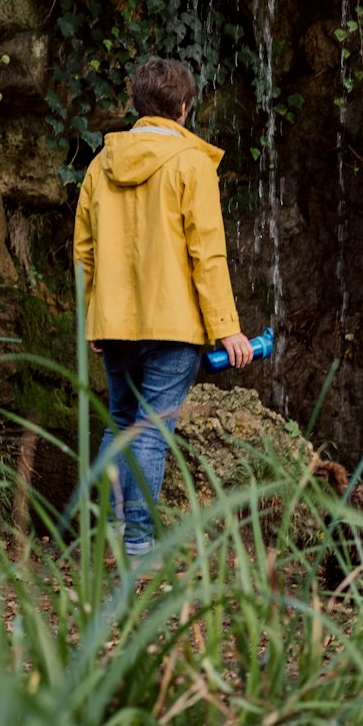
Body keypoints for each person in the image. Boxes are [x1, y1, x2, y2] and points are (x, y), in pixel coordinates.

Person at [73, 56, 253, 562]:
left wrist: (94, 316)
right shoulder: (192, 164)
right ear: (183, 107)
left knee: (120, 422)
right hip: (173, 326)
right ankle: (138, 544)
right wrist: (228, 331)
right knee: (152, 431)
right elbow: (207, 253)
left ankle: (107, 536)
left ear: (137, 105)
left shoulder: (99, 165)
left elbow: (83, 251)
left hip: (115, 323)